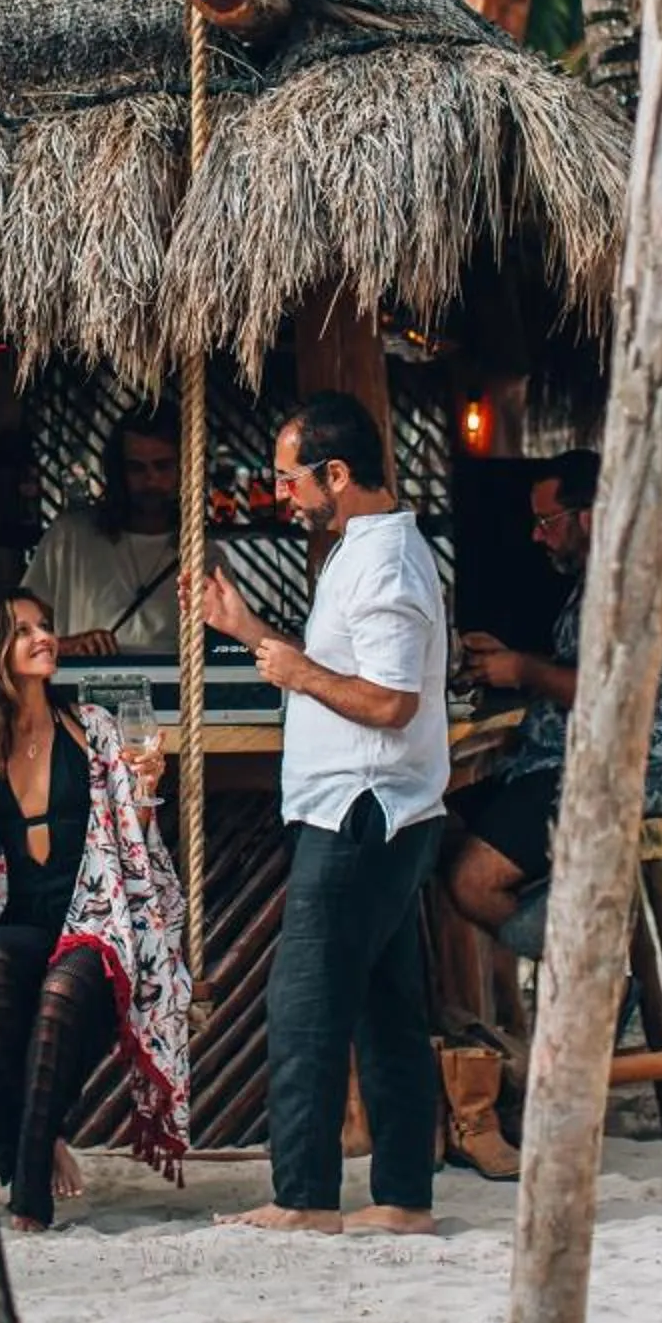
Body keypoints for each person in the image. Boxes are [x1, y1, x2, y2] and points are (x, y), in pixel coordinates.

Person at [201, 390, 449, 1237]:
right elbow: (340, 670)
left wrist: (296, 673)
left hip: (362, 807)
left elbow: (390, 702)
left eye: (289, 478)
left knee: (304, 1001)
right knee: (385, 1007)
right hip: (371, 804)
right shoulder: (364, 551)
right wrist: (248, 630)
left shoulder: (385, 565)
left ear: (335, 474)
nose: (282, 494)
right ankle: (403, 1198)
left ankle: (304, 1197)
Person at [0, 588, 192, 1231]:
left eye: (44, 626)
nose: (44, 637)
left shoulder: (91, 726)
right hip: (20, 921)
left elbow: (133, 836)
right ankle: (37, 1142)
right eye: (24, 631)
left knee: (63, 991)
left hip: (94, 924)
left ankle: (29, 1199)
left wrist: (147, 787)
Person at [447, 448, 662, 934]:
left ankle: (588, 972)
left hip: (609, 777)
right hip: (562, 764)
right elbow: (585, 669)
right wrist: (510, 660)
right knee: (437, 833)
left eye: (546, 521)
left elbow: (612, 698)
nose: (536, 535)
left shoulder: (635, 589)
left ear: (588, 517)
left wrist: (522, 669)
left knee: (472, 882)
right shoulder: (601, 580)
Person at [24, 403, 186, 656]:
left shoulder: (205, 554)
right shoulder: (70, 538)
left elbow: (225, 649)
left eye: (162, 466)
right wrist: (65, 647)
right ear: (119, 473)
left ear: (184, 469)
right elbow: (20, 631)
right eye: (136, 468)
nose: (151, 479)